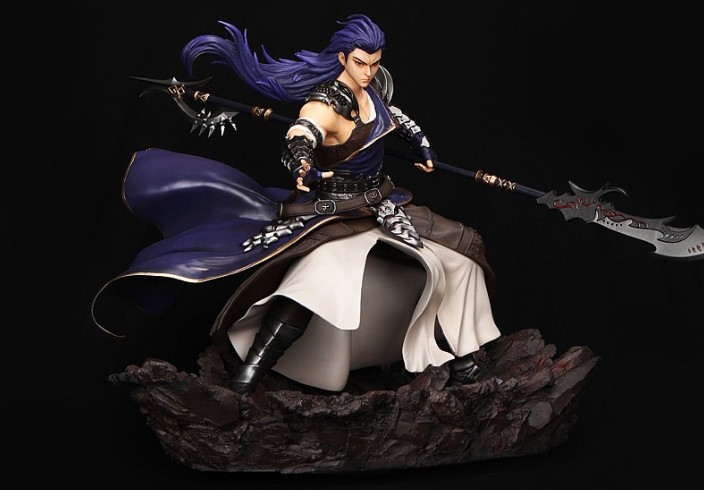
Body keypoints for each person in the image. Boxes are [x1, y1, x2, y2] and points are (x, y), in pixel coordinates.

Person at [92, 14, 501, 395]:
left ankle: (464, 363)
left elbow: (395, 116)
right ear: (343, 58)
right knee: (318, 281)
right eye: (361, 63)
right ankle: (252, 368)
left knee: (461, 257)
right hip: (333, 211)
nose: (368, 72)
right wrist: (303, 165)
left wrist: (421, 145)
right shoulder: (322, 104)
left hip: (383, 204)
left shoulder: (370, 91)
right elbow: (301, 134)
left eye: (375, 64)